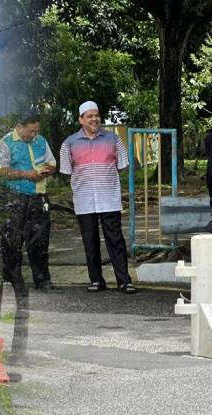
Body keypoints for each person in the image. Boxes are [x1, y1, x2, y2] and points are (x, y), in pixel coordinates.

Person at [59, 101, 137, 293]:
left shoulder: (114, 140)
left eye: (96, 115)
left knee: (116, 240)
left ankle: (124, 281)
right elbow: (67, 170)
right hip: (84, 200)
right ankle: (96, 280)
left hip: (109, 197)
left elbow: (123, 165)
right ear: (81, 119)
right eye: (89, 116)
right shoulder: (68, 143)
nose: (94, 119)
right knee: (90, 241)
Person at [0, 112, 57, 292]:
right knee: (12, 241)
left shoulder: (41, 141)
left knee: (40, 240)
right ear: (19, 127)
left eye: (36, 131)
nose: (33, 135)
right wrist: (26, 174)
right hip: (14, 198)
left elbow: (52, 164)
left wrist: (45, 171)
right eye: (30, 131)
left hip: (38, 196)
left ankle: (43, 281)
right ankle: (13, 281)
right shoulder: (5, 143)